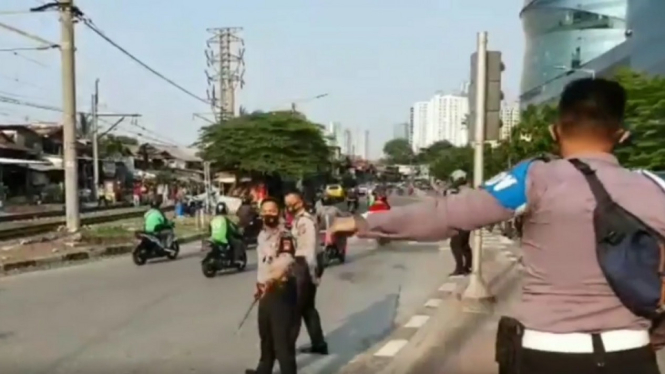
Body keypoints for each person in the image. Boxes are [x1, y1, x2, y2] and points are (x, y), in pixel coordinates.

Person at [328, 78, 665, 374]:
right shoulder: (655, 188)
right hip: (631, 354)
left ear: (555, 131)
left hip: (548, 354)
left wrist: (363, 221)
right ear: (622, 136)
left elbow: (448, 215)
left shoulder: (535, 177)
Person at [247, 199, 298, 374]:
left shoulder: (285, 235)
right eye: (265, 211)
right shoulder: (262, 235)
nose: (269, 214)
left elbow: (287, 260)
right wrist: (259, 284)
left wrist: (271, 279)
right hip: (266, 291)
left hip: (281, 291)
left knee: (281, 341)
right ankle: (264, 370)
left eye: (272, 211)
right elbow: (263, 264)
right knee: (266, 336)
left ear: (279, 212)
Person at [284, 191, 328, 355]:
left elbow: (308, 251)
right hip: (305, 266)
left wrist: (312, 274)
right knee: (308, 307)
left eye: (292, 203)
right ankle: (319, 343)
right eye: (286, 203)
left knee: (295, 308)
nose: (289, 206)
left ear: (300, 203)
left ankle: (286, 349)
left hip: (305, 267)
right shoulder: (298, 221)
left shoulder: (305, 222)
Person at [444, 169, 472, 277]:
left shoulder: (457, 190)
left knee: (455, 244)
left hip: (460, 220)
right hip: (468, 220)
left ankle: (460, 268)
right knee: (464, 244)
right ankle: (467, 267)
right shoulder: (468, 190)